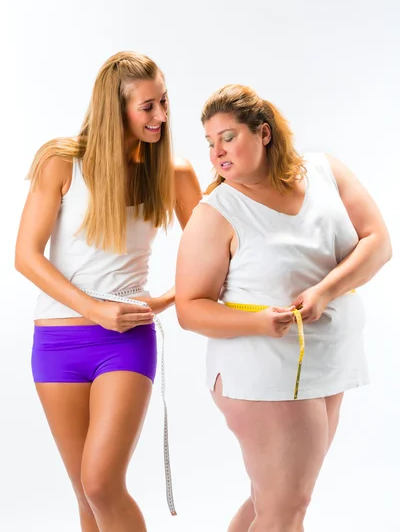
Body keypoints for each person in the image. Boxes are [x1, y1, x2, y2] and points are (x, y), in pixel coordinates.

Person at [175, 84, 391, 532]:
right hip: (263, 368)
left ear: (264, 133)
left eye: (228, 137)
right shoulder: (216, 211)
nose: (216, 152)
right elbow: (190, 309)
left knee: (272, 502)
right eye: (210, 143)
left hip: (329, 356)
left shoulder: (325, 172)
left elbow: (378, 242)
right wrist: (258, 322)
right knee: (286, 508)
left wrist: (325, 292)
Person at [15, 51, 202, 532]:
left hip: (124, 341)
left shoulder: (173, 173)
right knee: (84, 493)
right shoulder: (60, 162)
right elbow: (26, 256)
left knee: (101, 483)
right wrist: (93, 309)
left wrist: (156, 302)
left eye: (164, 102)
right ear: (114, 108)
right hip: (56, 342)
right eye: (148, 106)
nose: (161, 115)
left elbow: (212, 258)